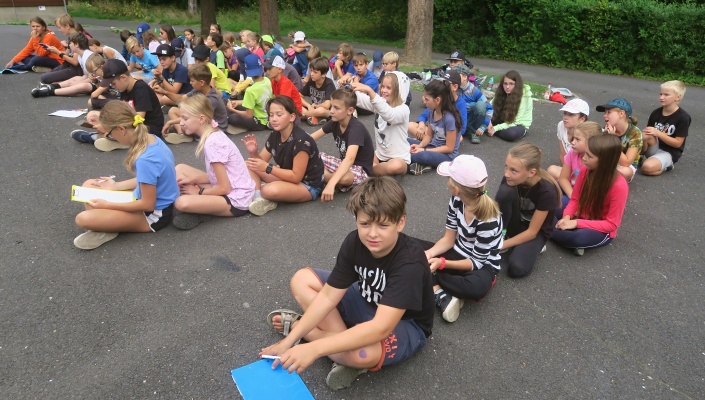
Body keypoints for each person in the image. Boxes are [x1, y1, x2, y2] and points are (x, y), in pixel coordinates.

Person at [260, 177, 434, 390]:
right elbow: (328, 296)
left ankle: (309, 332)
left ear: (400, 223)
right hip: (367, 299)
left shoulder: (410, 262)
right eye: (365, 224)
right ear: (356, 220)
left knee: (361, 354)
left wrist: (313, 348)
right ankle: (340, 348)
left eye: (383, 225)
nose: (372, 234)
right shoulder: (354, 242)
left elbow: (380, 328)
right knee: (301, 280)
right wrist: (288, 342)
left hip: (405, 324)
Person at [73, 101, 178, 250]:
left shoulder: (145, 159)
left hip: (154, 215)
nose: (111, 137)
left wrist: (107, 205)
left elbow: (148, 204)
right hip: (144, 199)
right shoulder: (151, 138)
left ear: (121, 129)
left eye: (110, 134)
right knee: (89, 185)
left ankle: (108, 228)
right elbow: (149, 179)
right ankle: (109, 223)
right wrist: (115, 186)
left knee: (83, 219)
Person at [415, 155, 502, 322]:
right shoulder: (456, 200)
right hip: (457, 251)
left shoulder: (488, 218)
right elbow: (448, 239)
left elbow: (476, 262)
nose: (446, 182)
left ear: (456, 189)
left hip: (482, 265)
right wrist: (429, 253)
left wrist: (442, 263)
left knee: (475, 287)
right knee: (406, 244)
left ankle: (430, 280)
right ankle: (438, 290)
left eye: (449, 178)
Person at [171, 95, 255, 229]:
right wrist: (194, 179)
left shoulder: (213, 143)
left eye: (185, 118)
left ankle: (204, 212)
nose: (181, 123)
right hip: (230, 186)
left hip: (237, 200)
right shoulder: (213, 134)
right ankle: (203, 208)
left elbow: (224, 188)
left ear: (201, 119)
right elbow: (218, 176)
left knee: (181, 203)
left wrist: (198, 192)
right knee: (180, 169)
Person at [243, 96, 325, 216]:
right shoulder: (275, 134)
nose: (274, 119)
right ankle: (258, 196)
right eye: (271, 115)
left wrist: (269, 168)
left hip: (307, 185)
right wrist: (253, 152)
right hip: (286, 175)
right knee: (248, 164)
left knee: (268, 190)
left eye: (279, 115)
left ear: (292, 117)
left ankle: (262, 191)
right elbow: (260, 163)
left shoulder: (301, 141)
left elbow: (296, 177)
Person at [553, 134, 628, 256]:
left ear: (604, 161)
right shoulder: (585, 170)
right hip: (580, 214)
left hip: (600, 227)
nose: (583, 158)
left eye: (589, 156)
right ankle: (558, 233)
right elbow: (575, 200)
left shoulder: (619, 186)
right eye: (585, 153)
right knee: (550, 206)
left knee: (577, 238)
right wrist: (566, 217)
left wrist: (576, 223)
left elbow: (611, 224)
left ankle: (548, 230)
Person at [494, 143, 560, 278]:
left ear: (531, 172)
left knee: (517, 268)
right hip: (516, 221)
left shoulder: (547, 191)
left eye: (513, 170)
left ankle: (536, 246)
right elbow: (498, 208)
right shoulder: (510, 178)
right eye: (506, 167)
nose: (506, 174)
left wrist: (499, 245)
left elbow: (531, 232)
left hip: (535, 231)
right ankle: (502, 234)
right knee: (504, 192)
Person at [71, 59, 165, 151]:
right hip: (133, 125)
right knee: (106, 124)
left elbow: (138, 119)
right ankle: (117, 139)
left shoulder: (141, 89)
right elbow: (121, 112)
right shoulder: (124, 88)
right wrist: (103, 121)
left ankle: (95, 137)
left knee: (112, 131)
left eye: (113, 83)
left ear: (123, 77)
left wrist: (108, 128)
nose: (112, 86)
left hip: (148, 129)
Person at [309, 88, 375, 201]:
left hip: (359, 171)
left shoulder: (356, 128)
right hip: (342, 164)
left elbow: (349, 159)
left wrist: (331, 184)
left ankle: (321, 177)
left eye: (336, 108)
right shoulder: (334, 122)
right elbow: (310, 139)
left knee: (345, 178)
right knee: (310, 155)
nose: (331, 111)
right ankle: (322, 176)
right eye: (331, 106)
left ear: (350, 110)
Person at [352, 71, 411, 177]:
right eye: (382, 86)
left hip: (398, 159)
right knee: (356, 151)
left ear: (399, 90)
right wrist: (352, 85)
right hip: (379, 155)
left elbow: (389, 115)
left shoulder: (403, 109)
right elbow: (360, 99)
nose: (383, 90)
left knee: (396, 166)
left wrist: (370, 91)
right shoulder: (380, 104)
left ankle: (369, 170)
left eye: (388, 88)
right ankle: (375, 170)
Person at [158, 64, 229, 144]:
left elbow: (195, 117)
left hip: (216, 129)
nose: (190, 83)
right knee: (173, 110)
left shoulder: (212, 99)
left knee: (184, 126)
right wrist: (164, 92)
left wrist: (170, 122)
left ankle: (184, 132)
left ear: (201, 82)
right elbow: (181, 99)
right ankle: (181, 133)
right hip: (201, 120)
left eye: (192, 81)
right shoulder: (198, 91)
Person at [406, 79, 462, 175]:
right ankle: (422, 164)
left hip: (446, 156)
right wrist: (420, 145)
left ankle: (408, 160)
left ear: (438, 100)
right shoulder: (431, 111)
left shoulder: (449, 119)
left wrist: (424, 150)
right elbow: (428, 136)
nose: (424, 102)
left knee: (420, 155)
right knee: (404, 141)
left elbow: (449, 148)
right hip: (432, 146)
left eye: (427, 99)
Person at [641, 80, 691, 176]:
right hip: (654, 147)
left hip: (669, 152)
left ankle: (667, 165)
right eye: (661, 94)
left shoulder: (683, 117)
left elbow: (678, 143)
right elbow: (648, 135)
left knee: (646, 168)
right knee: (645, 135)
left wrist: (658, 133)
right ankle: (638, 158)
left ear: (678, 97)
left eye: (666, 95)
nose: (661, 97)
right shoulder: (656, 113)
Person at [30, 32, 94, 98]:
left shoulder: (88, 57)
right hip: (88, 77)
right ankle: (52, 86)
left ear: (76, 44)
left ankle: (49, 91)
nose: (69, 46)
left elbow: (97, 76)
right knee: (74, 79)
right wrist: (81, 79)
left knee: (79, 85)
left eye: (70, 43)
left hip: (95, 83)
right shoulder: (81, 56)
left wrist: (81, 82)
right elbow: (86, 74)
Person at [556, 121, 603, 210]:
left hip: (584, 198)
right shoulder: (572, 153)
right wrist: (572, 195)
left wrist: (574, 200)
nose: (573, 142)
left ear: (591, 142)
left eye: (577, 139)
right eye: (573, 138)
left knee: (557, 204)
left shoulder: (596, 162)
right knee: (548, 189)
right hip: (572, 191)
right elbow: (563, 178)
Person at [596, 98, 642, 182]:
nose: (604, 115)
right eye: (605, 112)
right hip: (608, 163)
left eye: (609, 112)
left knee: (626, 172)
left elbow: (626, 162)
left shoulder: (635, 133)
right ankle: (605, 176)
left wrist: (613, 139)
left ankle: (603, 176)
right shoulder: (605, 130)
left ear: (621, 113)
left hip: (624, 166)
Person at [226, 54, 272, 133]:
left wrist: (232, 110)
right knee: (233, 104)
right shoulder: (267, 80)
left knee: (233, 118)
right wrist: (238, 103)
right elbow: (258, 101)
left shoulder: (250, 90)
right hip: (267, 114)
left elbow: (249, 115)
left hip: (259, 121)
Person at [547, 99, 589, 180]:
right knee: (551, 170)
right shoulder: (561, 125)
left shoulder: (588, 134)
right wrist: (566, 174)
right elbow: (562, 154)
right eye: (565, 113)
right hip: (571, 170)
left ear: (582, 118)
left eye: (571, 114)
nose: (565, 117)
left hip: (584, 173)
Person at [452, 64, 493, 144]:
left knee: (481, 105)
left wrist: (484, 125)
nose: (454, 78)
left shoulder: (474, 90)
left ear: (465, 77)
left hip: (469, 118)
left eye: (457, 75)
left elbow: (489, 108)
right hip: (457, 118)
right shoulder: (453, 87)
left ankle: (473, 131)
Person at [489, 70, 533, 141]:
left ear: (517, 85)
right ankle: (490, 128)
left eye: (511, 84)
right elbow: (489, 107)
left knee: (511, 134)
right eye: (505, 83)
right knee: (480, 118)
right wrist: (488, 121)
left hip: (518, 124)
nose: (507, 87)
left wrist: (495, 128)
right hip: (503, 120)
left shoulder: (525, 97)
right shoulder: (501, 91)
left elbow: (516, 121)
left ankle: (491, 130)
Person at [38, 14, 81, 84]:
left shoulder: (77, 39)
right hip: (68, 65)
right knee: (46, 75)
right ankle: (60, 82)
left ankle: (65, 82)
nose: (59, 30)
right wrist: (53, 50)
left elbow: (75, 62)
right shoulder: (71, 36)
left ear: (67, 26)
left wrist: (58, 52)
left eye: (60, 27)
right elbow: (67, 53)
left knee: (45, 78)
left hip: (75, 69)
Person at [300, 57, 336, 126]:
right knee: (295, 103)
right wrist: (308, 105)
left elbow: (327, 105)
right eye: (311, 71)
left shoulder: (329, 84)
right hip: (313, 108)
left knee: (321, 111)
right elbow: (299, 96)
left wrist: (315, 106)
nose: (311, 74)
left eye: (315, 72)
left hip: (327, 110)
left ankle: (304, 115)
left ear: (323, 74)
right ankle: (313, 117)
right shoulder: (311, 81)